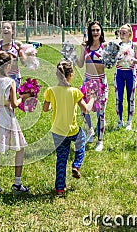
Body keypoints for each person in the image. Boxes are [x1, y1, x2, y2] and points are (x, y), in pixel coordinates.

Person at [43, 60, 96, 197]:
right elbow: (87, 110)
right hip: (72, 130)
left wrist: (53, 106)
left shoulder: (50, 91)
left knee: (61, 158)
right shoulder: (74, 92)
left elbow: (45, 108)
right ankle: (76, 165)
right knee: (82, 140)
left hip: (57, 131)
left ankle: (60, 189)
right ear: (70, 75)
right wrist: (92, 99)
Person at [0, 51, 30, 194]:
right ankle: (17, 183)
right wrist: (24, 97)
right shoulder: (10, 82)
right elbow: (14, 104)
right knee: (20, 148)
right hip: (6, 117)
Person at [75, 21, 108, 151]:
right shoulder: (85, 46)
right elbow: (80, 64)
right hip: (88, 81)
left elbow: (110, 64)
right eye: (93, 30)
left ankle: (100, 141)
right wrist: (71, 56)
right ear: (90, 32)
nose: (95, 32)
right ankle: (90, 130)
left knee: (101, 112)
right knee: (85, 109)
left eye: (97, 30)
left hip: (101, 82)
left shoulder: (104, 46)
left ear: (101, 32)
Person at [114, 23, 137, 130]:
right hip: (119, 74)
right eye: (120, 33)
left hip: (131, 73)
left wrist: (132, 59)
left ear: (129, 33)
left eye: (124, 33)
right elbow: (112, 60)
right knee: (119, 99)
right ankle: (119, 121)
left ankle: (129, 122)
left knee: (130, 99)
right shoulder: (117, 45)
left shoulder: (134, 45)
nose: (121, 35)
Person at [0, 21, 27, 88]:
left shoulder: (17, 44)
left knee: (12, 98)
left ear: (13, 31)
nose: (5, 29)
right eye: (3, 28)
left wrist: (28, 55)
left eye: (8, 28)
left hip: (14, 76)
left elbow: (24, 63)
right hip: (0, 77)